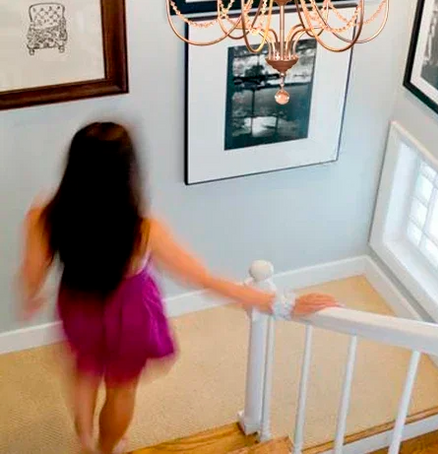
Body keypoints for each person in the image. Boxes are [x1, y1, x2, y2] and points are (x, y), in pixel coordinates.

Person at [18, 122, 338, 454]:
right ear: (129, 172)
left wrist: (30, 298)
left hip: (78, 308)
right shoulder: (143, 230)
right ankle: (107, 447)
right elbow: (204, 279)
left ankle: (84, 441)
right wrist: (280, 303)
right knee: (121, 389)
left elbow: (31, 273)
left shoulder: (43, 216)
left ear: (74, 168)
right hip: (129, 319)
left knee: (84, 371)